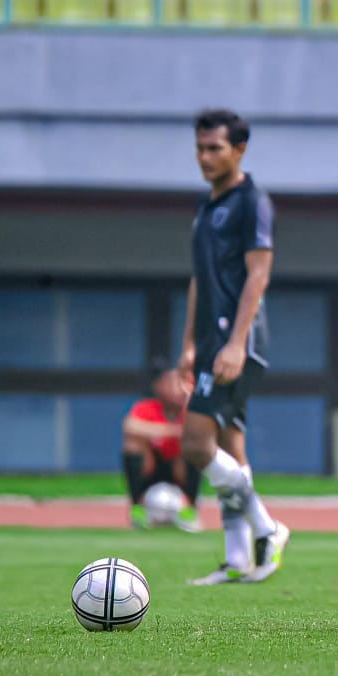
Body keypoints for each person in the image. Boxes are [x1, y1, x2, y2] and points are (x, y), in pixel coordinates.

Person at [180, 108, 290, 585]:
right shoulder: (206, 209)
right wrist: (188, 343)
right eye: (200, 148)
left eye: (215, 148)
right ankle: (237, 559)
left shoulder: (252, 202)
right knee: (230, 445)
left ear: (239, 149)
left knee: (196, 444)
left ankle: (268, 527)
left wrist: (235, 343)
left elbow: (258, 274)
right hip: (210, 342)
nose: (205, 157)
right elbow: (198, 282)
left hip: (237, 341)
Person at [122, 362, 202, 532]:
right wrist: (173, 431)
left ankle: (189, 509)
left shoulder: (192, 409)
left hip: (179, 470)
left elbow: (200, 433)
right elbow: (130, 426)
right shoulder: (147, 407)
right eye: (172, 382)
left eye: (182, 382)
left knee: (196, 446)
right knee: (133, 443)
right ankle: (137, 508)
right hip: (151, 469)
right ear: (158, 386)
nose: (177, 388)